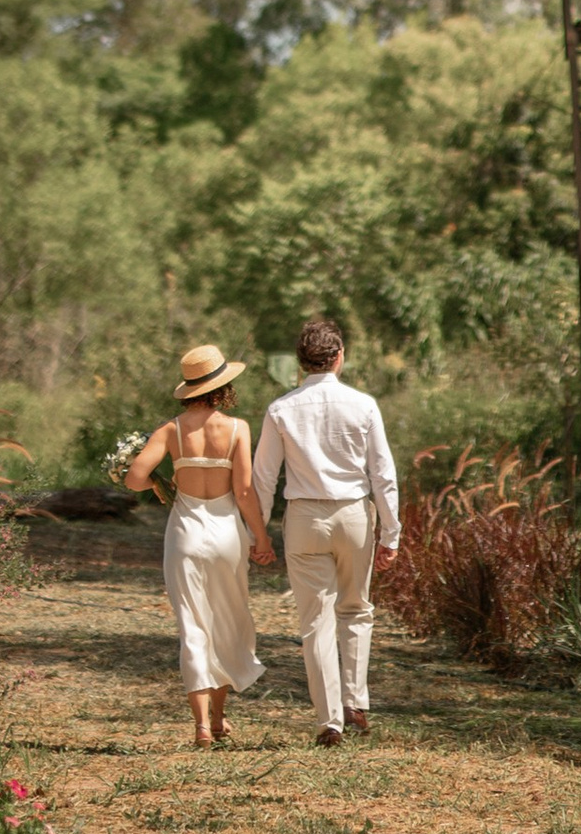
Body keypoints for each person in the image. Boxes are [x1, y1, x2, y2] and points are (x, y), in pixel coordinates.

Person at [253, 315, 399, 748]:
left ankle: (329, 719)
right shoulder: (363, 405)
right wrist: (391, 533)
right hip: (354, 514)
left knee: (315, 621)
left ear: (301, 363)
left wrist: (257, 534)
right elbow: (383, 474)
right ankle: (356, 700)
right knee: (355, 609)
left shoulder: (280, 409)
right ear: (339, 357)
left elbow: (264, 477)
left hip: (304, 518)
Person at [126, 343, 276, 749]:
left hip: (186, 535)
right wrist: (261, 538)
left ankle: (202, 728)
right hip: (227, 533)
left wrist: (161, 483)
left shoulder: (171, 430)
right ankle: (221, 715)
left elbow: (134, 478)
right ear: (223, 387)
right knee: (228, 622)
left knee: (192, 627)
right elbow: (244, 491)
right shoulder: (237, 429)